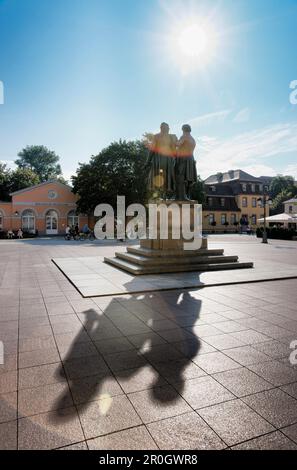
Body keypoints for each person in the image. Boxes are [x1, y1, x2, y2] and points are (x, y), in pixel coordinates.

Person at [146, 122, 177, 198]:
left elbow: (152, 150)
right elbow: (174, 151)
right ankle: (164, 194)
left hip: (161, 160)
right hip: (167, 160)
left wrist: (148, 161)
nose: (168, 130)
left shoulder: (157, 136)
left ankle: (163, 194)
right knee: (166, 176)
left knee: (161, 176)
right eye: (167, 128)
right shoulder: (171, 137)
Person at [175, 124, 197, 200]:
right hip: (191, 158)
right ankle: (185, 195)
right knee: (188, 179)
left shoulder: (184, 136)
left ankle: (181, 196)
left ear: (183, 130)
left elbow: (177, 144)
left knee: (181, 177)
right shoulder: (193, 139)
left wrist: (173, 139)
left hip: (184, 159)